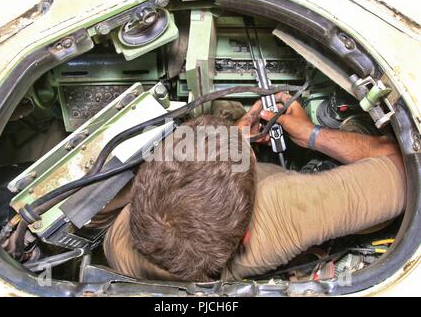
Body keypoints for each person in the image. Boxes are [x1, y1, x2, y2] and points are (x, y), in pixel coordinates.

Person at [101, 92, 406, 281]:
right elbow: (404, 169)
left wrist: (226, 142)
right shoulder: (283, 213)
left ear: (144, 189)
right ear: (246, 233)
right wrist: (310, 135)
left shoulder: (117, 245)